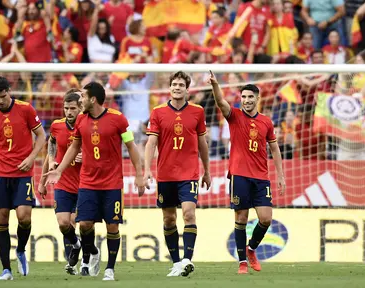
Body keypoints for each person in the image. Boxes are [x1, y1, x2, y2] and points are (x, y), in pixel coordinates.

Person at [45, 82, 144, 280]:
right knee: (85, 225)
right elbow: (74, 147)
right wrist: (60, 170)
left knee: (112, 227)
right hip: (88, 183)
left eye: (82, 96)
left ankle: (110, 269)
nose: (79, 100)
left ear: (93, 99)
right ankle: (93, 252)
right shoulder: (81, 120)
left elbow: (131, 147)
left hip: (112, 183)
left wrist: (139, 175)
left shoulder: (117, 119)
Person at [208, 71, 285, 274]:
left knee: (266, 218)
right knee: (241, 218)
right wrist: (216, 85)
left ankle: (251, 249)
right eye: (243, 97)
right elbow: (220, 102)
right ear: (240, 99)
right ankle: (242, 262)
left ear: (257, 99)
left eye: (251, 97)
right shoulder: (234, 116)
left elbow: (275, 148)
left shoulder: (266, 122)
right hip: (239, 174)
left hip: (261, 176)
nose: (247, 100)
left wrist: (281, 175)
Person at [144, 71, 211, 277]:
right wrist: (146, 169)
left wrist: (207, 170)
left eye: (181, 84)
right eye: (174, 84)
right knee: (169, 220)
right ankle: (176, 263)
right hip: (165, 174)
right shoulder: (158, 112)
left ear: (187, 89)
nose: (177, 87)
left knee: (189, 213)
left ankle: (187, 259)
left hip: (189, 173)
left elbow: (202, 143)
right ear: (170, 87)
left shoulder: (198, 112)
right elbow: (151, 142)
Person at [0, 76, 46, 280]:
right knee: (1, 219)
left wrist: (31, 158)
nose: (0, 101)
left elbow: (42, 136)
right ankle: (6, 270)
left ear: (9, 91)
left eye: (2, 96)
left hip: (23, 173)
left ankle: (20, 249)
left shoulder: (26, 109)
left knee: (24, 216)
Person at [38, 89, 83, 275]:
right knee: (64, 223)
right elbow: (51, 144)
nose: (69, 112)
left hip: (84, 183)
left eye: (73, 108)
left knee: (77, 221)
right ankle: (76, 245)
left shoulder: (88, 125)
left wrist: (86, 156)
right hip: (63, 181)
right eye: (66, 108)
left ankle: (82, 261)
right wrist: (41, 181)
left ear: (80, 107)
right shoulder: (57, 126)